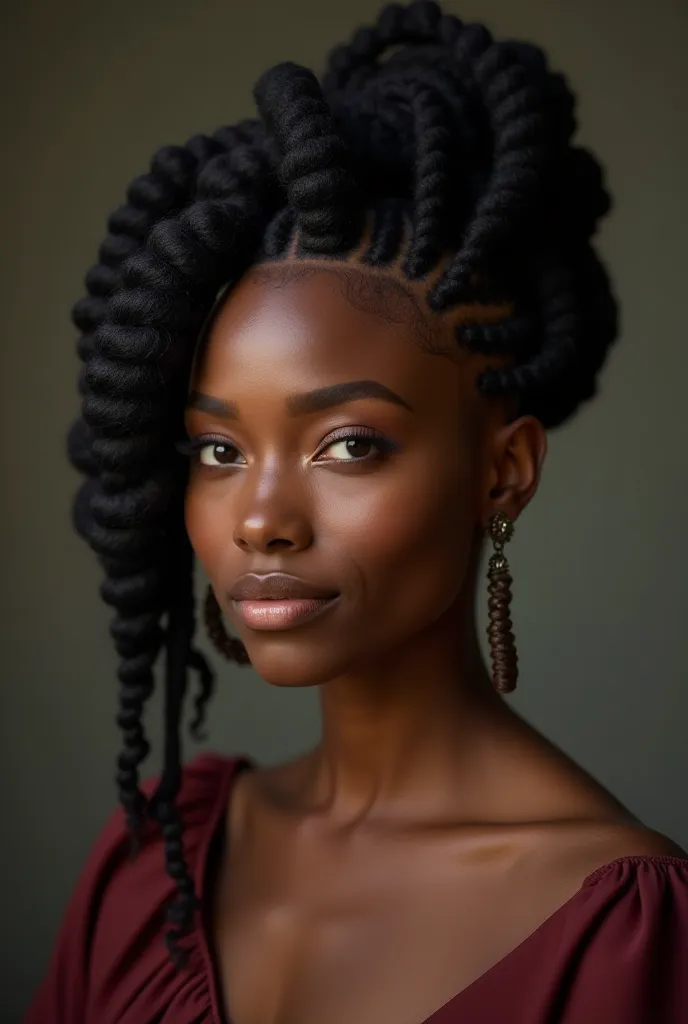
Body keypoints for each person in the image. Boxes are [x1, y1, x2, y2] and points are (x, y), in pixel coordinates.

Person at [26, 2, 688, 1022]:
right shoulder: (147, 867)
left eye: (347, 445)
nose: (260, 519)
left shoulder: (622, 933)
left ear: (504, 472)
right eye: (218, 450)